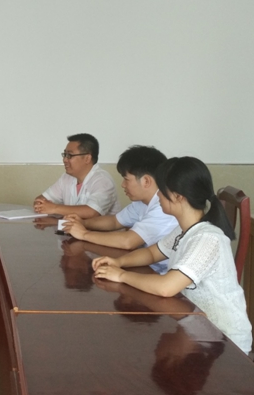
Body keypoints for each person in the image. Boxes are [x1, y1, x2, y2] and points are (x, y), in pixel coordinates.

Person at [93, 157, 252, 354]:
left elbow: (166, 287)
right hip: (198, 327)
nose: (158, 195)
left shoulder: (208, 238)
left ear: (178, 196)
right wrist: (118, 262)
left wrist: (121, 275)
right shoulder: (184, 229)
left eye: (161, 190)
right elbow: (152, 253)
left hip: (224, 342)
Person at [63, 145, 178, 273]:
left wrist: (84, 234)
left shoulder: (164, 208)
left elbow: (128, 241)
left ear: (146, 181)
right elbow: (114, 221)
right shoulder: (142, 202)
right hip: (146, 265)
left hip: (163, 274)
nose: (123, 185)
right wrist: (83, 223)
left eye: (126, 179)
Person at [33, 133, 121, 218]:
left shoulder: (102, 180)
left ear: (87, 158)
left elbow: (92, 212)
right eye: (65, 154)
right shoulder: (66, 178)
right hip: (72, 228)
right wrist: (41, 205)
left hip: (99, 229)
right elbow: (41, 199)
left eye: (69, 155)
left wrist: (54, 208)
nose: (64, 159)